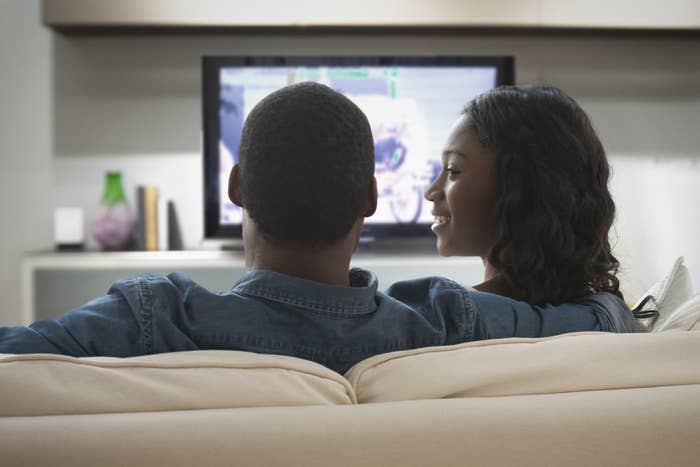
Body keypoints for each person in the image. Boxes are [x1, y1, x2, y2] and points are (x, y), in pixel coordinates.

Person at [0, 83, 635, 374]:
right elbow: (598, 320)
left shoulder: (153, 317)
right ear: (369, 197)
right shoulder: (450, 321)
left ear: (237, 187)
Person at [422, 84, 636, 334]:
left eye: (453, 170)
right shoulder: (609, 316)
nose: (431, 191)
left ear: (521, 189)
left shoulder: (444, 319)